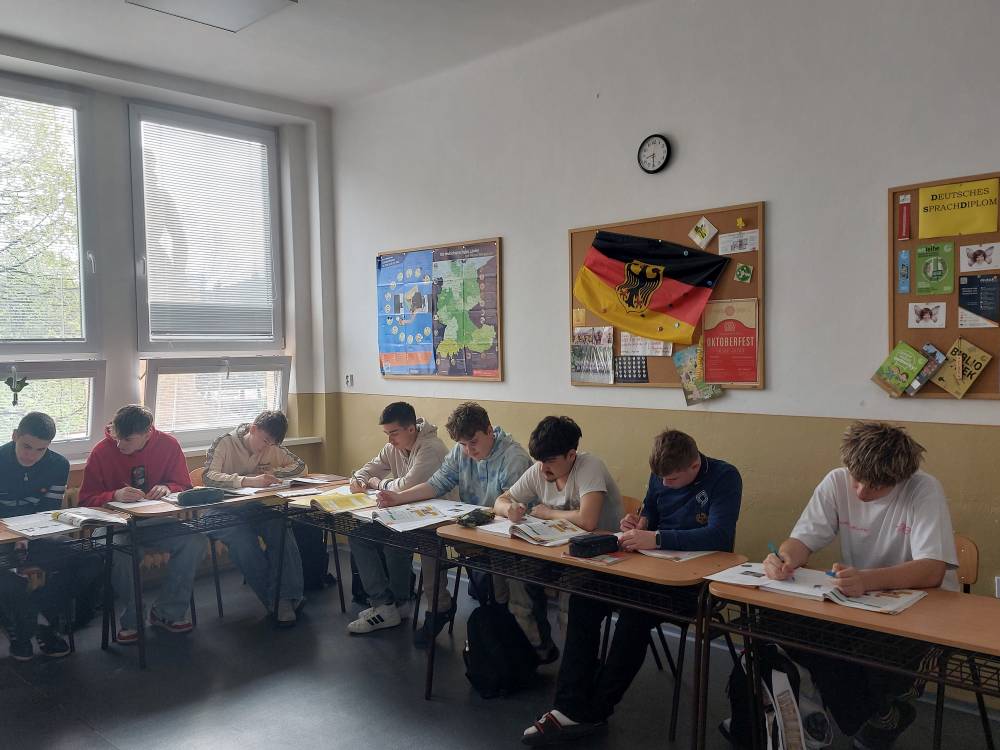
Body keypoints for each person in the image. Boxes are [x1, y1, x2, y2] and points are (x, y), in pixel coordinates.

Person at [522, 428, 742, 746]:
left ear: (694, 466)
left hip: (692, 582)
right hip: (648, 567)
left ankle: (595, 710)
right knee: (584, 597)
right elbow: (650, 511)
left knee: (634, 618)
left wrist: (657, 538)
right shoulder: (661, 474)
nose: (665, 484)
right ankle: (569, 706)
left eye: (672, 480)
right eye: (660, 478)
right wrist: (639, 523)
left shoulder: (724, 477)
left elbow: (719, 535)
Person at [762, 421, 957, 750]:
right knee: (789, 629)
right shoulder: (836, 481)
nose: (862, 492)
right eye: (856, 478)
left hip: (923, 607)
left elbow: (932, 570)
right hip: (861, 603)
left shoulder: (924, 489)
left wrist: (866, 580)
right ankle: (878, 716)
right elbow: (802, 540)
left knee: (871, 657)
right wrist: (784, 558)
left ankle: (878, 714)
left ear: (900, 478)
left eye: (876, 486)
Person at [374, 402, 532, 647]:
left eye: (473, 442)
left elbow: (515, 509)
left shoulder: (513, 458)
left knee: (502, 584)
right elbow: (437, 483)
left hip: (505, 538)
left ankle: (510, 628)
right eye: (463, 444)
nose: (468, 450)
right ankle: (439, 607)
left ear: (489, 430)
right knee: (429, 537)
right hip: (471, 530)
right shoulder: (461, 451)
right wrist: (398, 498)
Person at [494, 416, 623, 663]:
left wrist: (547, 513)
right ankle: (539, 649)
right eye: (539, 460)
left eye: (550, 461)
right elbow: (500, 501)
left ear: (571, 455)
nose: (543, 468)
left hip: (600, 558)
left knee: (569, 597)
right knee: (518, 578)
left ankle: (575, 665)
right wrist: (509, 509)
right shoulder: (539, 469)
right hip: (556, 552)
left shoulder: (590, 466)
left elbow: (588, 521)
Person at [79, 405, 207, 642]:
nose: (119, 444)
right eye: (117, 437)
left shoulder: (169, 445)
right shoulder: (101, 451)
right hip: (114, 525)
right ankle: (133, 618)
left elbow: (184, 486)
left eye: (127, 440)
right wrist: (114, 495)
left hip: (156, 521)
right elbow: (85, 500)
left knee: (194, 541)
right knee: (120, 552)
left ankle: (167, 612)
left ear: (148, 432)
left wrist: (168, 487)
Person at [0, 412, 102, 660]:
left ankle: (40, 615)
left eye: (40, 449)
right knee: (5, 575)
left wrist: (26, 536)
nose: (31, 455)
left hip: (36, 536)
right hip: (2, 538)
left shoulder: (58, 465)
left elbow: (47, 511)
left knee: (91, 557)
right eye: (26, 446)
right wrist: (14, 536)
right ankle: (20, 628)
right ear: (14, 436)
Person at [346, 402, 447, 635]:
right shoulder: (393, 447)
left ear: (411, 429)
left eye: (393, 433)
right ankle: (390, 605)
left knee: (392, 543)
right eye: (387, 434)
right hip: (405, 515)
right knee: (360, 536)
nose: (390, 440)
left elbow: (406, 485)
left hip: (433, 519)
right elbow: (368, 468)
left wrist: (377, 483)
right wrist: (358, 479)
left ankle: (391, 605)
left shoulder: (431, 448)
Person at [202, 410, 306, 626]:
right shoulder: (225, 443)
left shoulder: (271, 446)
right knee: (243, 541)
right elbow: (208, 477)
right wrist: (247, 480)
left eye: (272, 444)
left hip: (251, 506)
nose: (266, 448)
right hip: (218, 510)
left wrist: (272, 474)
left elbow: (301, 467)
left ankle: (285, 596)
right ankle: (277, 600)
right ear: (253, 429)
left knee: (280, 526)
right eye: (265, 441)